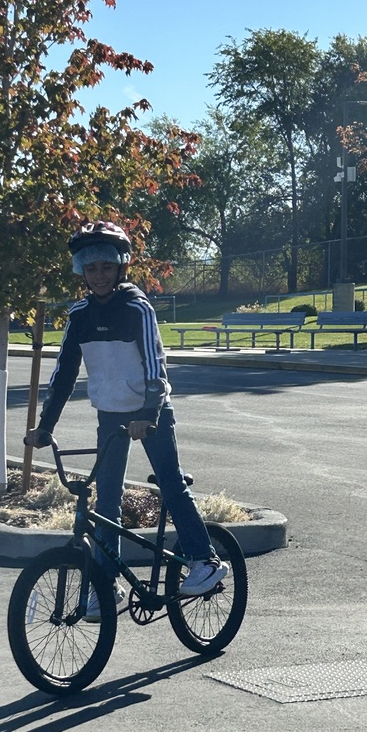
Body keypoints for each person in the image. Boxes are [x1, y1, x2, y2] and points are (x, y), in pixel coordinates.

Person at [25, 220, 228, 622]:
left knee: (170, 483)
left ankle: (205, 560)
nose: (98, 275)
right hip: (110, 413)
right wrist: (45, 426)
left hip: (150, 411)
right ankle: (107, 586)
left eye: (106, 266)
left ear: (121, 268)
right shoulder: (79, 315)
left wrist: (149, 414)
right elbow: (64, 372)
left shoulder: (137, 308)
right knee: (107, 498)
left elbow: (157, 367)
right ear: (81, 272)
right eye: (91, 267)